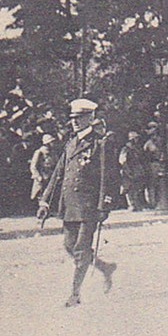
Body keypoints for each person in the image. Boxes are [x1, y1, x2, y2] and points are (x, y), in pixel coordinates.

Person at [37, 98, 118, 308]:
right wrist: (45, 200)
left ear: (90, 118)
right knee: (69, 246)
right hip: (70, 205)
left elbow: (108, 177)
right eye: (73, 118)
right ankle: (104, 267)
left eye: (80, 118)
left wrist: (104, 205)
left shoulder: (100, 143)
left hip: (89, 206)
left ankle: (74, 294)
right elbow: (58, 174)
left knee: (81, 250)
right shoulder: (71, 143)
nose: (75, 122)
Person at [117, 131, 149, 211]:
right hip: (129, 170)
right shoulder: (126, 149)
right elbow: (122, 161)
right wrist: (127, 170)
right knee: (129, 188)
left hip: (138, 170)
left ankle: (138, 204)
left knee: (138, 188)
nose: (137, 140)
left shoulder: (137, 148)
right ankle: (131, 204)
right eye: (135, 138)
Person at [29, 133, 58, 204]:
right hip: (42, 175)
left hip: (51, 175)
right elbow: (33, 166)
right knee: (40, 194)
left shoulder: (53, 152)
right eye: (52, 142)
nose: (53, 143)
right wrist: (38, 176)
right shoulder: (39, 152)